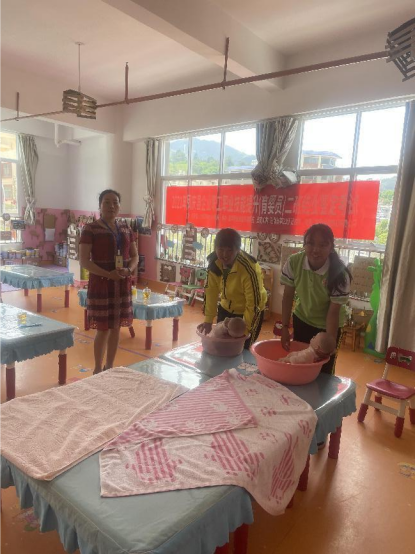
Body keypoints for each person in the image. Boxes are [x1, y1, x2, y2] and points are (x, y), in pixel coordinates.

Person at [79, 189, 138, 374]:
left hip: (122, 284)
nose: (111, 206)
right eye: (107, 202)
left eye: (115, 202)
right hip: (101, 284)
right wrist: (107, 274)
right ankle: (98, 369)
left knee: (116, 327)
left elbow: (135, 256)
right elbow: (84, 261)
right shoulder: (90, 229)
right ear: (100, 205)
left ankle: (110, 367)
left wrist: (129, 270)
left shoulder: (126, 229)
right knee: (103, 329)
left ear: (119, 206)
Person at [280, 223, 352, 375]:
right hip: (302, 319)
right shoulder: (294, 262)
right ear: (304, 244)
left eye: (323, 245)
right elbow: (287, 296)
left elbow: (333, 313)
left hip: (328, 327)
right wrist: (284, 327)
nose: (315, 250)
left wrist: (328, 344)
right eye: (310, 243)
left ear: (331, 247)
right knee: (299, 364)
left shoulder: (340, 274)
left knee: (323, 370)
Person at [198, 228, 267, 349]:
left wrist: (245, 331)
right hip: (226, 308)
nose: (224, 255)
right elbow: (211, 292)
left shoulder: (248, 268)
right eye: (221, 250)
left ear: (238, 250)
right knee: (220, 344)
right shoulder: (214, 264)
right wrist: (208, 319)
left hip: (249, 312)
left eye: (230, 250)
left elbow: (253, 304)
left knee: (242, 348)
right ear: (215, 248)